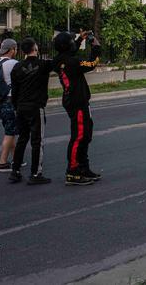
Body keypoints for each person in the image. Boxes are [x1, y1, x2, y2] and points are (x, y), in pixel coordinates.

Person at [55, 29, 102, 186]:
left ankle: (83, 167)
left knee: (86, 135)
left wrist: (79, 40)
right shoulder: (72, 62)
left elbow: (70, 50)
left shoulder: (60, 59)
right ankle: (73, 171)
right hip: (77, 102)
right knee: (79, 136)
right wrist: (95, 46)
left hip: (76, 100)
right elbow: (92, 63)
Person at [9, 38, 57, 185]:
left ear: (22, 50)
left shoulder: (17, 68)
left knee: (22, 139)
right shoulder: (43, 65)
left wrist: (16, 107)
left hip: (21, 107)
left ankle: (15, 171)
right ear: (35, 48)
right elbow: (60, 60)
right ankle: (36, 173)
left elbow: (14, 91)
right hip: (36, 107)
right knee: (37, 141)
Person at [0, 38, 20, 173]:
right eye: (15, 49)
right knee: (10, 133)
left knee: (10, 131)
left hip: (1, 102)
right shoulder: (13, 64)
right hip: (11, 102)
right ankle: (2, 163)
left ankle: (17, 159)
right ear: (12, 50)